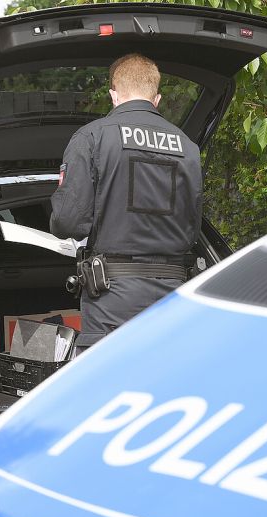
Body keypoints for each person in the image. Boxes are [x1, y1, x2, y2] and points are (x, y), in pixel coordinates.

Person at [50, 54, 202, 354]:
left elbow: (68, 221)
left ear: (113, 95)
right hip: (173, 299)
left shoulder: (92, 137)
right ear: (156, 98)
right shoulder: (188, 146)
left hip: (112, 304)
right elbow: (193, 226)